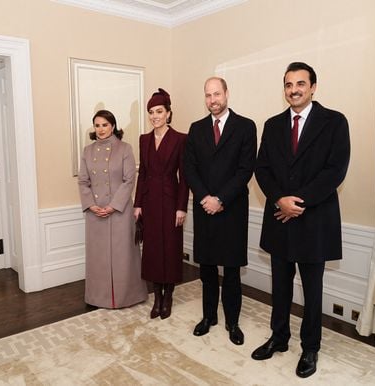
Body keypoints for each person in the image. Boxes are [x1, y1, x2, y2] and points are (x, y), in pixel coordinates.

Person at [252, 62, 350, 378]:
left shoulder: (334, 122)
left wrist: (299, 202)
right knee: (279, 286)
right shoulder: (272, 124)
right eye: (288, 84)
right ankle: (279, 338)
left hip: (314, 221)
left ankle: (311, 348)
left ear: (313, 87)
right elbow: (262, 168)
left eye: (300, 84)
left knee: (312, 290)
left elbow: (335, 170)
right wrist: (280, 199)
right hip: (279, 218)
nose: (294, 89)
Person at [184, 77, 257, 346]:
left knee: (232, 270)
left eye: (216, 94)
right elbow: (189, 168)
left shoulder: (246, 127)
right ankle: (208, 317)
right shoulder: (196, 128)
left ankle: (232, 322)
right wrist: (205, 197)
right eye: (207, 95)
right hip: (204, 209)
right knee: (207, 268)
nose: (212, 100)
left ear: (227, 93)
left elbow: (245, 169)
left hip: (232, 209)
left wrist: (221, 199)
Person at [78, 109, 148, 309]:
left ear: (113, 126)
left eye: (105, 125)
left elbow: (129, 180)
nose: (101, 129)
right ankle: (98, 297)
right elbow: (83, 181)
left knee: (124, 255)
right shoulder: (87, 151)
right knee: (98, 257)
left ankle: (129, 296)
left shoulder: (125, 148)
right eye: (97, 125)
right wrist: (91, 205)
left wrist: (112, 206)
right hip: (95, 213)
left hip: (120, 211)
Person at [133, 88, 189, 320]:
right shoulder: (144, 139)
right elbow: (143, 173)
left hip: (171, 200)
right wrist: (137, 204)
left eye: (159, 111)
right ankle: (157, 297)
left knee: (170, 250)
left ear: (168, 113)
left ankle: (169, 296)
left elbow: (184, 176)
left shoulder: (181, 139)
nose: (154, 116)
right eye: (151, 112)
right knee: (153, 251)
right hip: (149, 202)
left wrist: (182, 207)